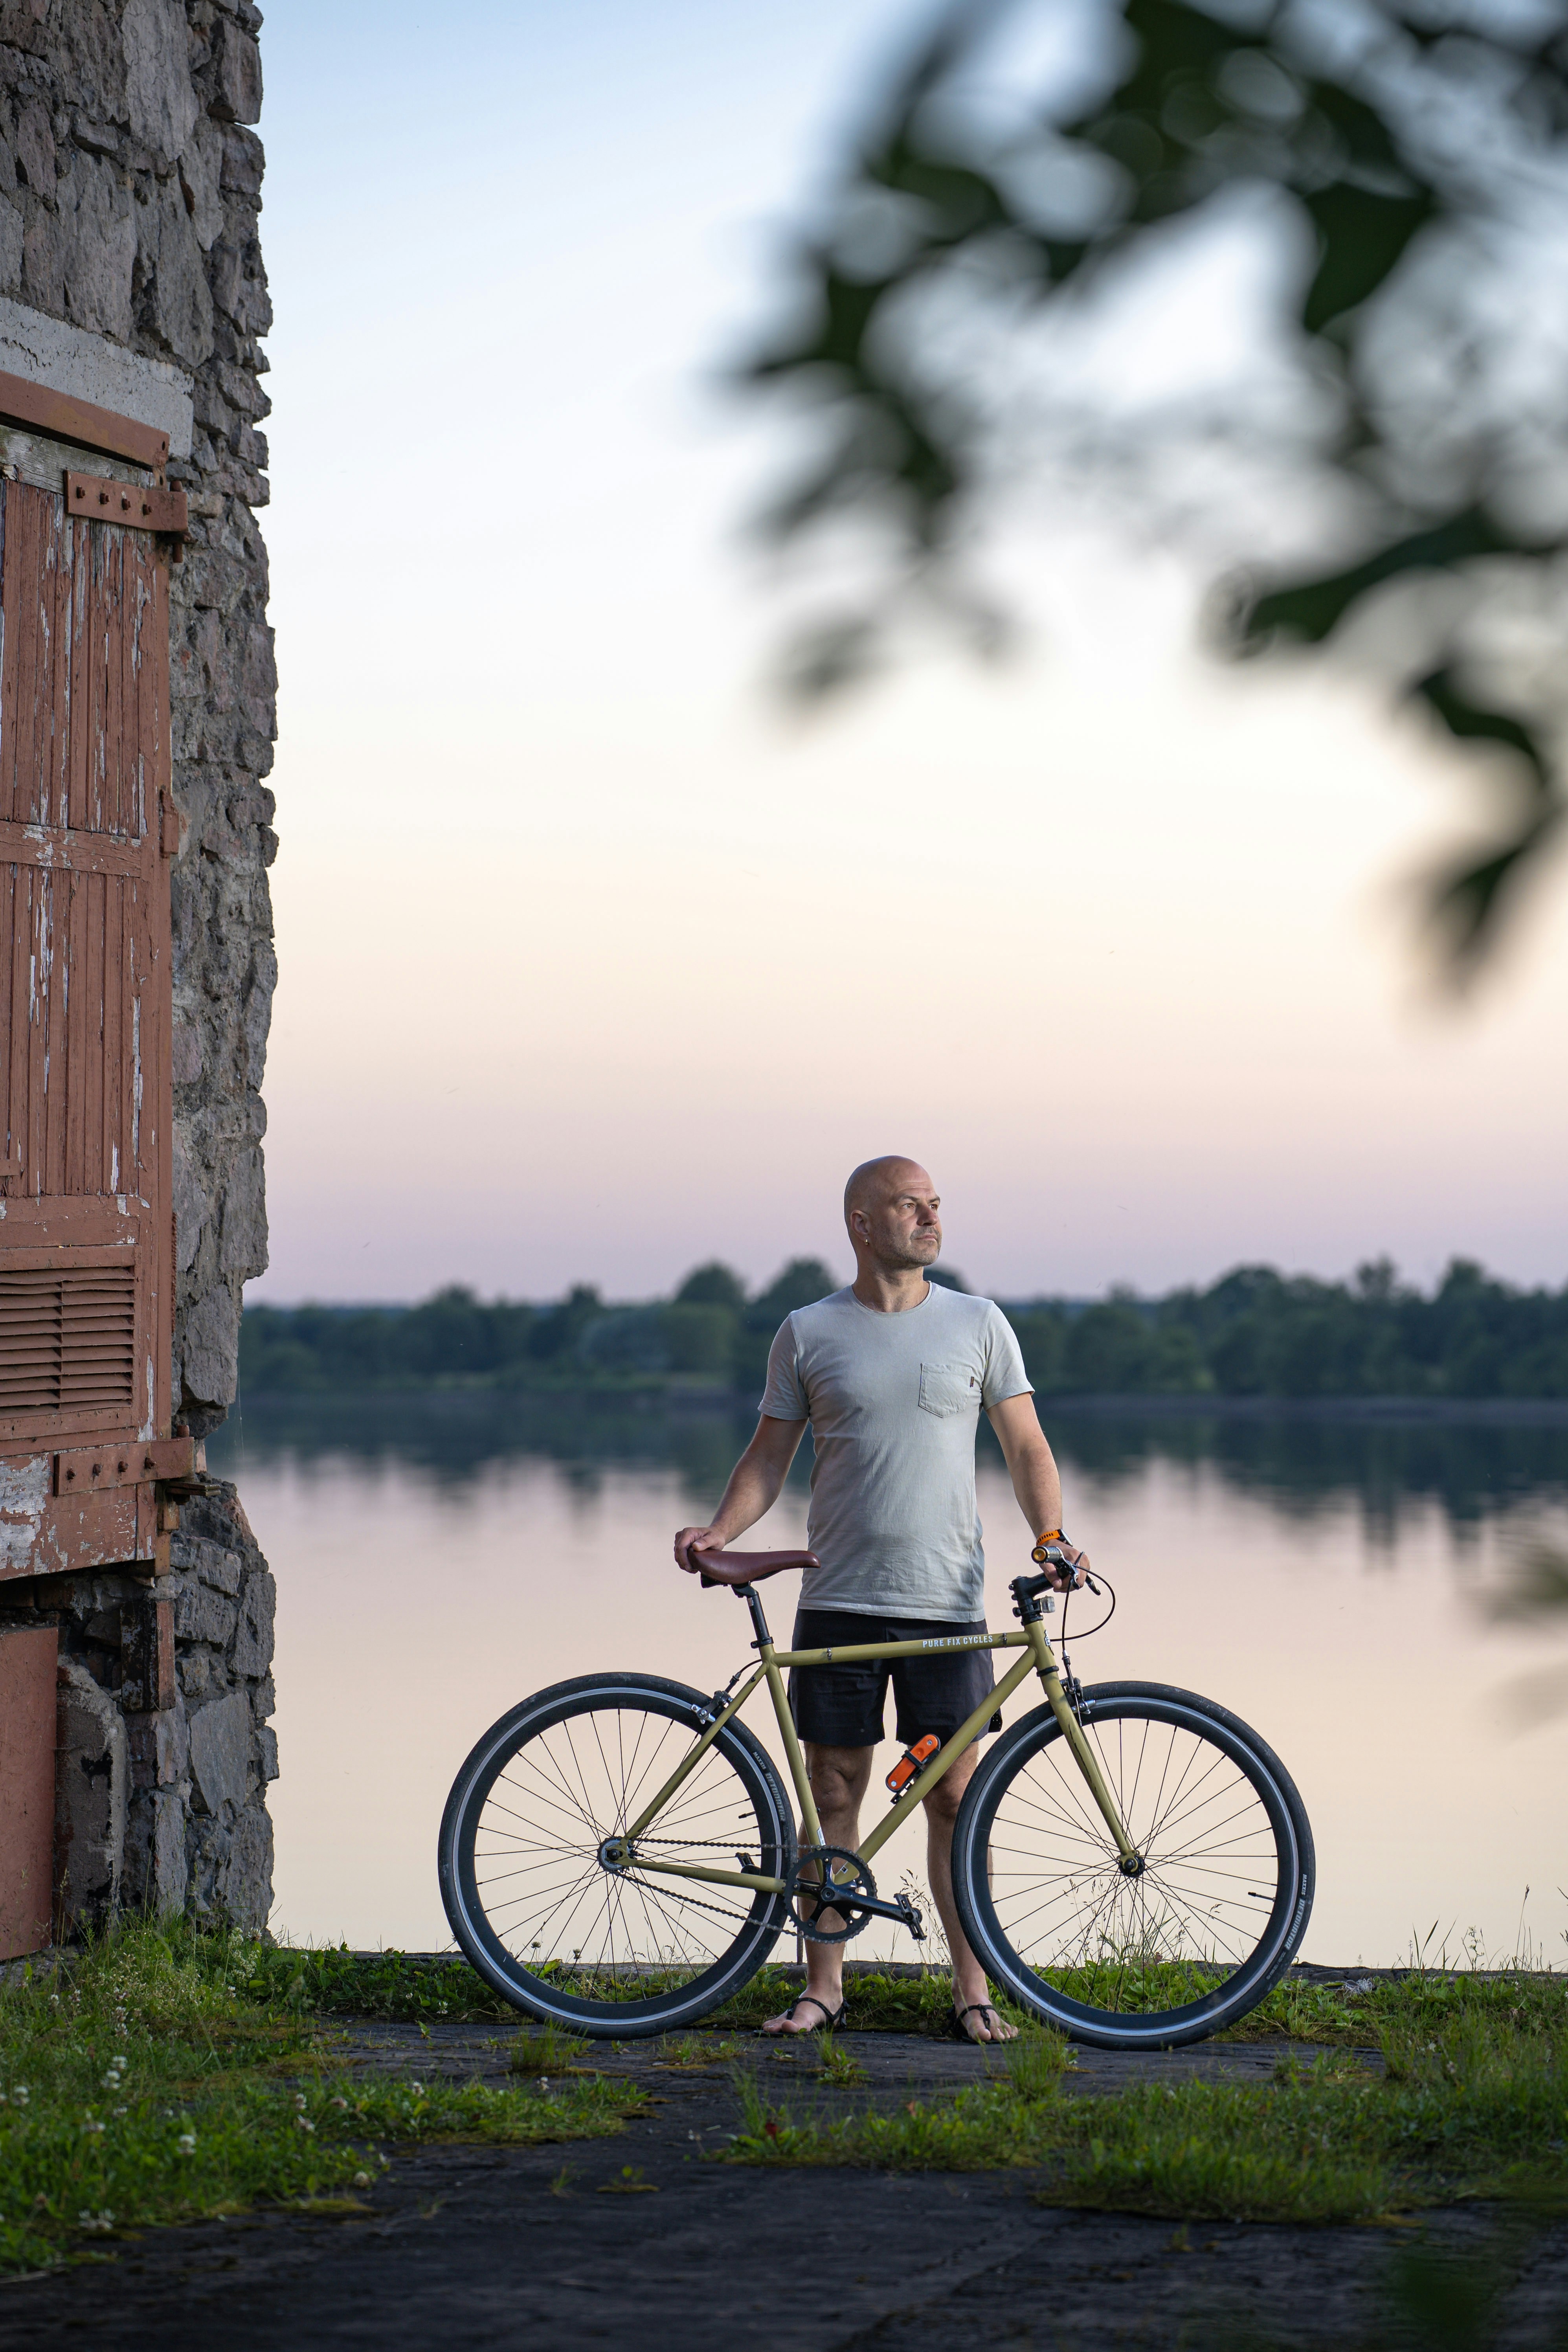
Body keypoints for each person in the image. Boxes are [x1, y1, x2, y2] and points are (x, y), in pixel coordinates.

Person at [672, 1156, 1088, 2045]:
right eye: (911, 1205)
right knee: (834, 1785)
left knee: (953, 1796)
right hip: (839, 1594)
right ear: (862, 1222)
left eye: (936, 1204)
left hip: (948, 1600)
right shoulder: (808, 1330)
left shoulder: (979, 1322)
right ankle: (826, 1983)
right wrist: (721, 1528)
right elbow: (766, 1458)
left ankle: (972, 1986)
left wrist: (1050, 1534)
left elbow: (1027, 1448)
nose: (931, 1217)